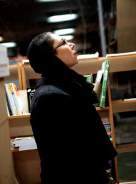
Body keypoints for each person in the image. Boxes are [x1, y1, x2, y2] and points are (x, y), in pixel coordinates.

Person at [27, 32, 117, 184]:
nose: (72, 44)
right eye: (63, 43)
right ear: (50, 56)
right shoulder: (50, 96)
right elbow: (68, 154)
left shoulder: (65, 85)